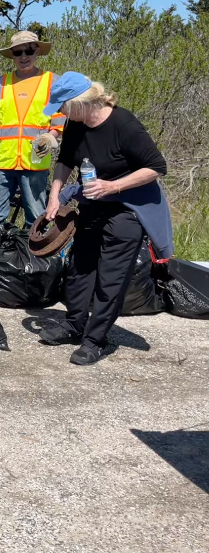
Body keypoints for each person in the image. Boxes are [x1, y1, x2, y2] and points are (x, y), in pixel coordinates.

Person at [38, 72, 170, 365]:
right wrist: (54, 195)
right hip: (94, 203)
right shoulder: (76, 123)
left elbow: (157, 167)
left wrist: (114, 186)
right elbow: (65, 160)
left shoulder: (124, 125)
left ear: (81, 102)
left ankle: (95, 340)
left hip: (129, 208)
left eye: (63, 106)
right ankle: (74, 324)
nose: (60, 112)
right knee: (79, 269)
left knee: (111, 278)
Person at [0, 30, 66, 246]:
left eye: (29, 50)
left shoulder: (52, 82)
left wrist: (50, 138)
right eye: (18, 52)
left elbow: (58, 124)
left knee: (36, 216)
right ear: (12, 55)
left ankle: (35, 263)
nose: (24, 56)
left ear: (37, 51)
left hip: (34, 163)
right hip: (1, 164)